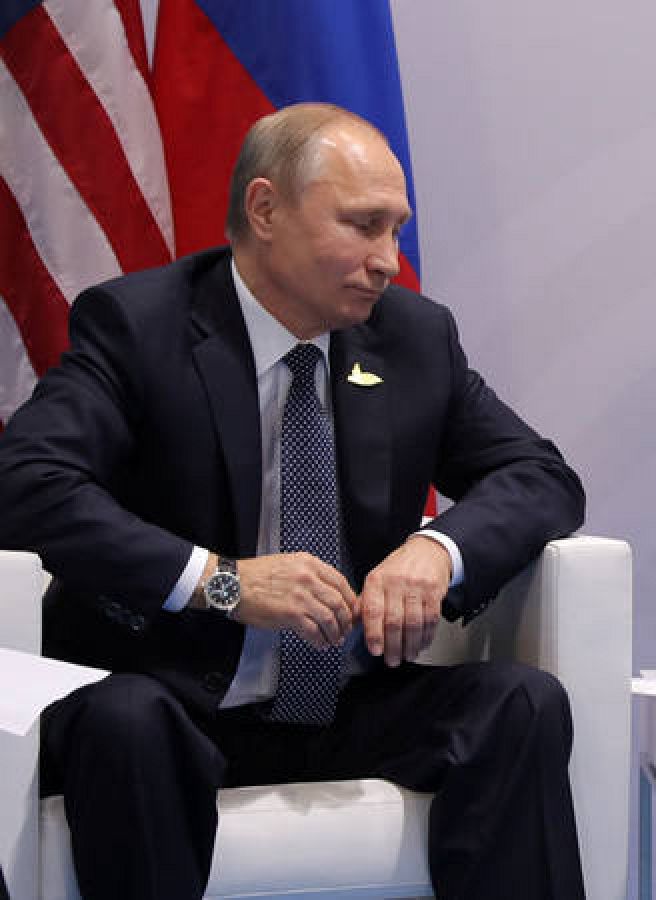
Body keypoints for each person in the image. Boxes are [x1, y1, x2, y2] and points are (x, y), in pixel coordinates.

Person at [0, 103, 587, 900]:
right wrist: (225, 581)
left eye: (397, 231)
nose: (388, 260)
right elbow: (25, 482)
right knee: (127, 720)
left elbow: (541, 476)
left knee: (521, 702)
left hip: (346, 703)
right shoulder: (142, 326)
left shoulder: (413, 338)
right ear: (266, 209)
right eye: (362, 226)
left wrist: (435, 550)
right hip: (171, 701)